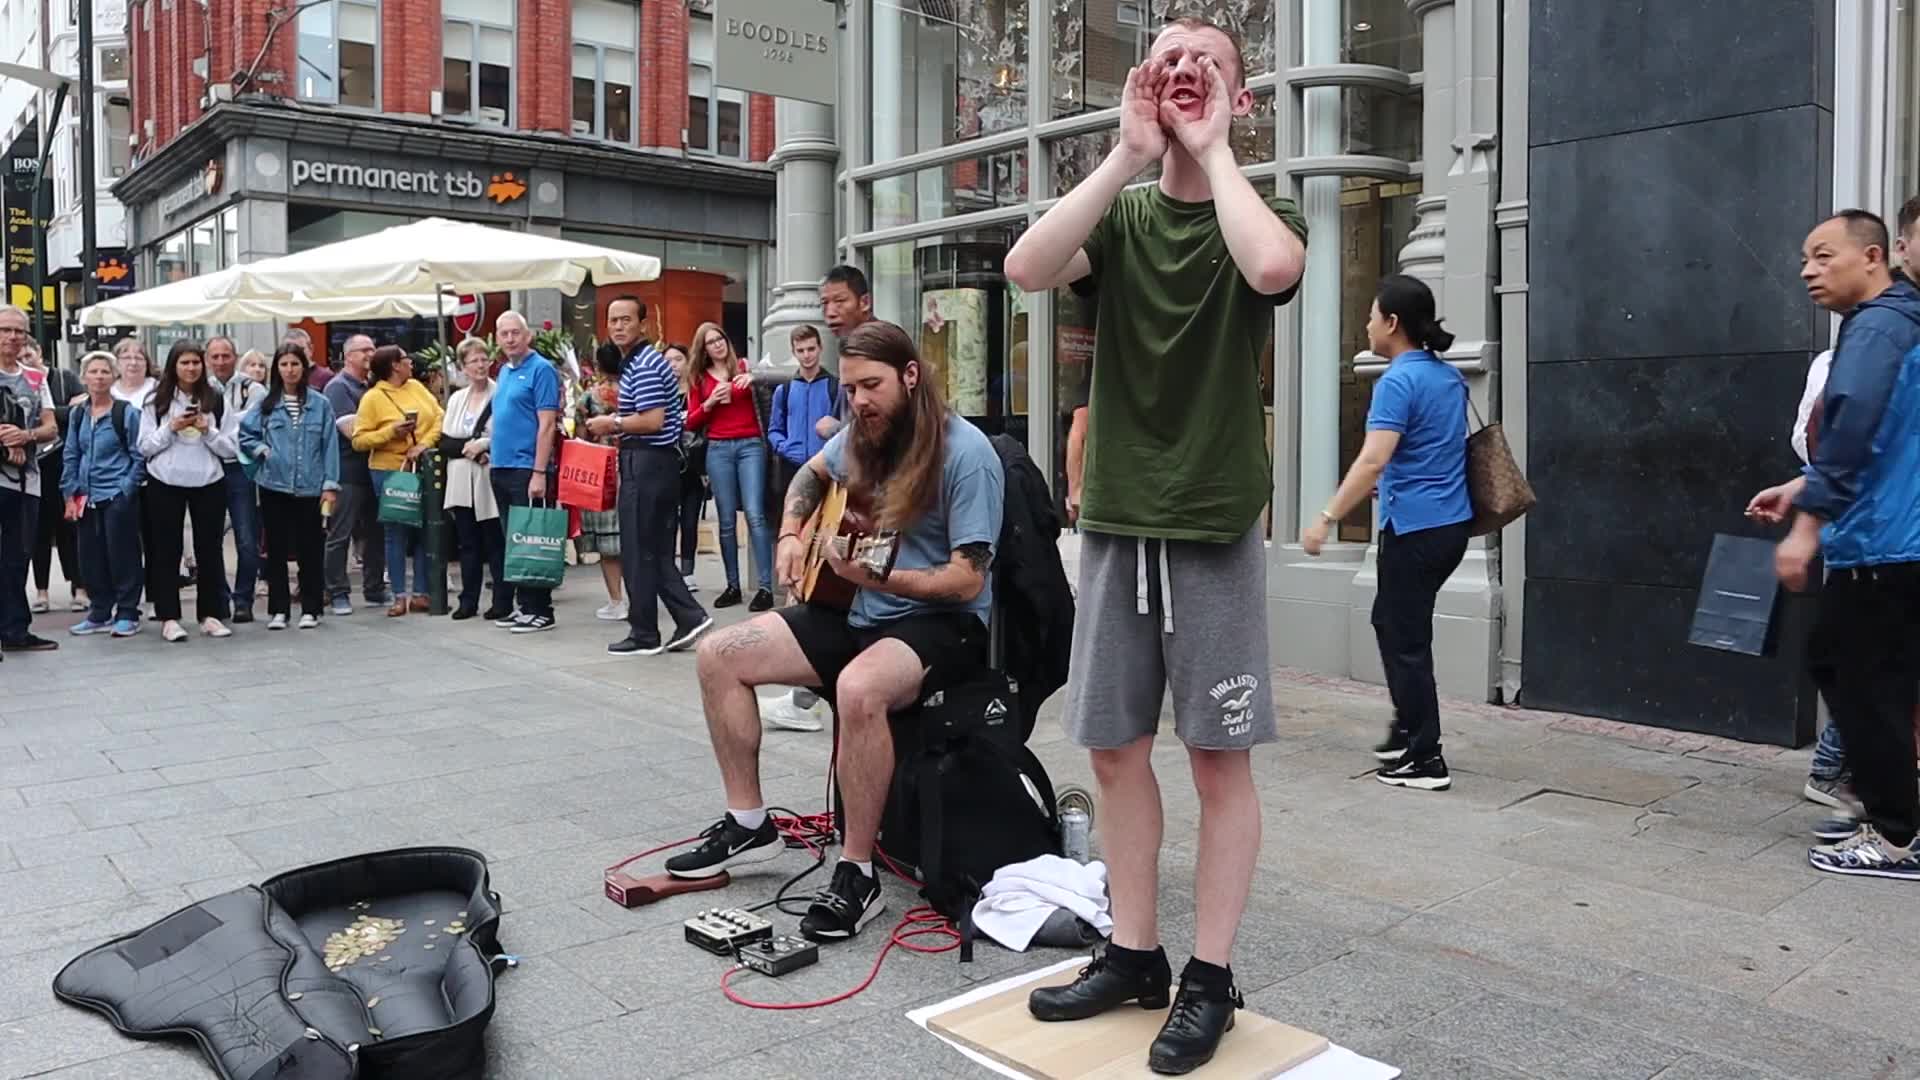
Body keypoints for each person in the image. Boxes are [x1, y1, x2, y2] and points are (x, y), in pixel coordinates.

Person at [1003, 16, 1308, 1071]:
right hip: (1119, 519)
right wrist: (1128, 150)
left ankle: (1210, 978)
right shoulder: (1124, 216)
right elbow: (1027, 266)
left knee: (1219, 761)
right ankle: (1133, 952)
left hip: (1214, 522)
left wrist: (1216, 149)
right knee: (1113, 751)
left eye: (1208, 61)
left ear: (1241, 98)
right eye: (1168, 55)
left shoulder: (1261, 206)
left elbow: (1271, 269)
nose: (1183, 69)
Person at [665, 321, 1004, 946]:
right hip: (856, 607)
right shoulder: (864, 435)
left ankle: (856, 870)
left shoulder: (968, 454)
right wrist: (794, 536)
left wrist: (885, 577)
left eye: (870, 386)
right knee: (718, 653)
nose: (859, 402)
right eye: (849, 390)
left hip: (942, 623)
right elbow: (808, 477)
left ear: (910, 376)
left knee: (858, 690)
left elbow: (966, 579)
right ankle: (748, 820)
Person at [1748, 209, 1920, 882]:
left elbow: (1850, 430)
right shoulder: (1899, 322)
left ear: (1874, 256)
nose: (1807, 270)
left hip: (1880, 543)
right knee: (1858, 674)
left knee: (1861, 681)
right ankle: (1886, 807)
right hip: (1893, 537)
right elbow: (1888, 436)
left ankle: (1897, 835)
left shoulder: (1878, 327)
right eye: (1804, 257)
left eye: (1823, 256)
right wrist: (1803, 484)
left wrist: (1806, 527)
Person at [1303, 276, 1469, 790]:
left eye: (1372, 315)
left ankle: (1426, 757)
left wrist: (1327, 518)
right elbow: (1428, 450)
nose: (1367, 323)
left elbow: (1373, 459)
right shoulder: (1447, 377)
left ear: (1392, 323)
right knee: (1392, 624)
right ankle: (1406, 730)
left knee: (1406, 641)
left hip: (1415, 529)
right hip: (1449, 527)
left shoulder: (1398, 380)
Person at [591, 296, 710, 657]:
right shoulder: (637, 363)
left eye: (626, 319)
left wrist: (610, 422)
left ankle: (653, 629)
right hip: (653, 463)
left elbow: (653, 420)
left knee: (641, 550)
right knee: (651, 551)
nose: (618, 326)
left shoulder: (643, 364)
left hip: (648, 463)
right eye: (613, 320)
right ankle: (676, 620)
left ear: (643, 324)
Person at [759, 322, 843, 732]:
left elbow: (843, 427)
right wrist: (791, 447)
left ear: (819, 349)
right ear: (795, 351)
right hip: (797, 476)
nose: (808, 356)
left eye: (813, 349)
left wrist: (829, 441)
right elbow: (773, 430)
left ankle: (803, 698)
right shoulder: (786, 390)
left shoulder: (835, 387)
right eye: (802, 350)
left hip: (828, 479)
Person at [137, 339, 237, 643]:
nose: (191, 368)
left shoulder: (216, 398)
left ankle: (210, 614)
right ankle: (169, 617)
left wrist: (208, 430)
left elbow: (231, 448)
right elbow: (144, 446)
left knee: (209, 549)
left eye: (196, 362)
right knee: (166, 550)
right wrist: (172, 427)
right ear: (173, 365)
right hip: (165, 480)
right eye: (185, 362)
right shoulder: (156, 400)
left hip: (208, 480)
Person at [241, 344, 339, 631]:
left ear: (303, 367)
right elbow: (246, 434)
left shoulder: (320, 404)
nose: (289, 369)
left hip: (311, 485)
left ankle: (311, 608)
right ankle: (279, 609)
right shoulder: (266, 404)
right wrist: (263, 450)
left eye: (294, 364)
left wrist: (330, 484)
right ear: (277, 369)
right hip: (274, 484)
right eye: (283, 364)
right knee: (276, 549)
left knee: (310, 548)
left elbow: (330, 445)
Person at [685, 321, 774, 612]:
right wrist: (710, 402)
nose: (718, 345)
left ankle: (765, 587)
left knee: (754, 513)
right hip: (718, 449)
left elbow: (776, 383)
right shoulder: (699, 379)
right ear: (704, 349)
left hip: (750, 445)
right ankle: (732, 585)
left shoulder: (746, 366)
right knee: (725, 520)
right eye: (710, 342)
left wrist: (755, 379)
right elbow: (690, 421)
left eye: (720, 338)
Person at [487, 311, 562, 633]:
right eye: (503, 334)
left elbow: (547, 425)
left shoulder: (541, 369)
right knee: (514, 541)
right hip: (500, 465)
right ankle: (524, 605)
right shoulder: (504, 371)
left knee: (533, 537)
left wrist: (539, 471)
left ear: (528, 335)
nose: (510, 339)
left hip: (525, 467)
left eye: (515, 332)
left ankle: (540, 609)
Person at [353, 346, 442, 617]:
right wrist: (391, 432)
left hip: (421, 465)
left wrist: (424, 443)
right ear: (394, 366)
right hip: (389, 470)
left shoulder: (416, 386)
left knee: (424, 529)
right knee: (395, 531)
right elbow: (359, 440)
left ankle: (421, 593)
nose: (411, 364)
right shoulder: (373, 398)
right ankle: (399, 595)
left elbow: (439, 416)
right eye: (406, 360)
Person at [62, 351, 145, 637]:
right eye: (93, 371)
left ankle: (127, 612)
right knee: (90, 557)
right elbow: (71, 454)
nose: (99, 376)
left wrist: (127, 489)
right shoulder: (77, 414)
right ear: (83, 377)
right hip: (86, 496)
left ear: (114, 376)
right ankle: (99, 612)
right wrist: (70, 491)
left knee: (122, 555)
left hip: (116, 495)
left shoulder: (127, 413)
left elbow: (139, 455)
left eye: (104, 371)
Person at [0, 305, 62, 656]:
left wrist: (25, 436)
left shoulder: (36, 378)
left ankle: (14, 629)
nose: (12, 337)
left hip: (27, 483)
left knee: (17, 557)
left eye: (18, 331)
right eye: (5, 330)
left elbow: (51, 427)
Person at [322, 334, 387, 614]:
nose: (370, 354)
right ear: (348, 356)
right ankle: (337, 592)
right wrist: (388, 432)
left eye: (373, 349)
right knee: (341, 534)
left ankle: (374, 588)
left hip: (374, 470)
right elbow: (352, 432)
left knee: (376, 533)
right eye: (364, 350)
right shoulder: (338, 387)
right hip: (346, 472)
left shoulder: (373, 386)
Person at [442, 339, 504, 621]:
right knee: (467, 543)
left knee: (494, 541)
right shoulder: (456, 399)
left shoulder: (500, 392)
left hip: (488, 477)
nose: (480, 365)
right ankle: (468, 600)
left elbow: (504, 433)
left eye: (483, 359)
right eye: (473, 361)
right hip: (461, 477)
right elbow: (445, 442)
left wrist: (484, 445)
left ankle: (502, 600)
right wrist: (473, 448)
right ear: (463, 367)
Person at [23, 341, 85, 615]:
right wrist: (61, 411)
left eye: (29, 354)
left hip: (65, 460)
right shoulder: (17, 382)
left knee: (70, 527)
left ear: (40, 354)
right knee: (39, 530)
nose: (26, 360)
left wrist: (49, 415)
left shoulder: (63, 377)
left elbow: (79, 411)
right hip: (34, 463)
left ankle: (79, 588)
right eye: (21, 356)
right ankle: (42, 591)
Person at [206, 335, 265, 623]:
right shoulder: (201, 387)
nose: (220, 362)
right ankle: (220, 597)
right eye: (215, 356)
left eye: (225, 356)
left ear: (235, 356)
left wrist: (214, 426)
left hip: (241, 469)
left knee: (246, 538)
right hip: (209, 468)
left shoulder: (253, 388)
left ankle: (244, 599)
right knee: (211, 538)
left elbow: (249, 423)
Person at [574, 340, 629, 622]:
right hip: (632, 467)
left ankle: (616, 600)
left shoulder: (588, 398)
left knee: (608, 543)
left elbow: (581, 439)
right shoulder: (634, 391)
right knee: (632, 536)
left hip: (600, 471)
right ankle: (639, 595)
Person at [664, 343, 707, 593]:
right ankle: (668, 569)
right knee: (668, 521)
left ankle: (688, 572)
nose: (673, 365)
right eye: (668, 360)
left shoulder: (695, 392)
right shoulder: (661, 393)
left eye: (678, 359)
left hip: (693, 465)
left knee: (690, 521)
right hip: (668, 466)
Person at [111, 337, 155, 405]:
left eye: (138, 358)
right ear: (116, 363)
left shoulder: (158, 388)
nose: (133, 363)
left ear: (146, 363)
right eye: (127, 358)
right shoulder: (108, 390)